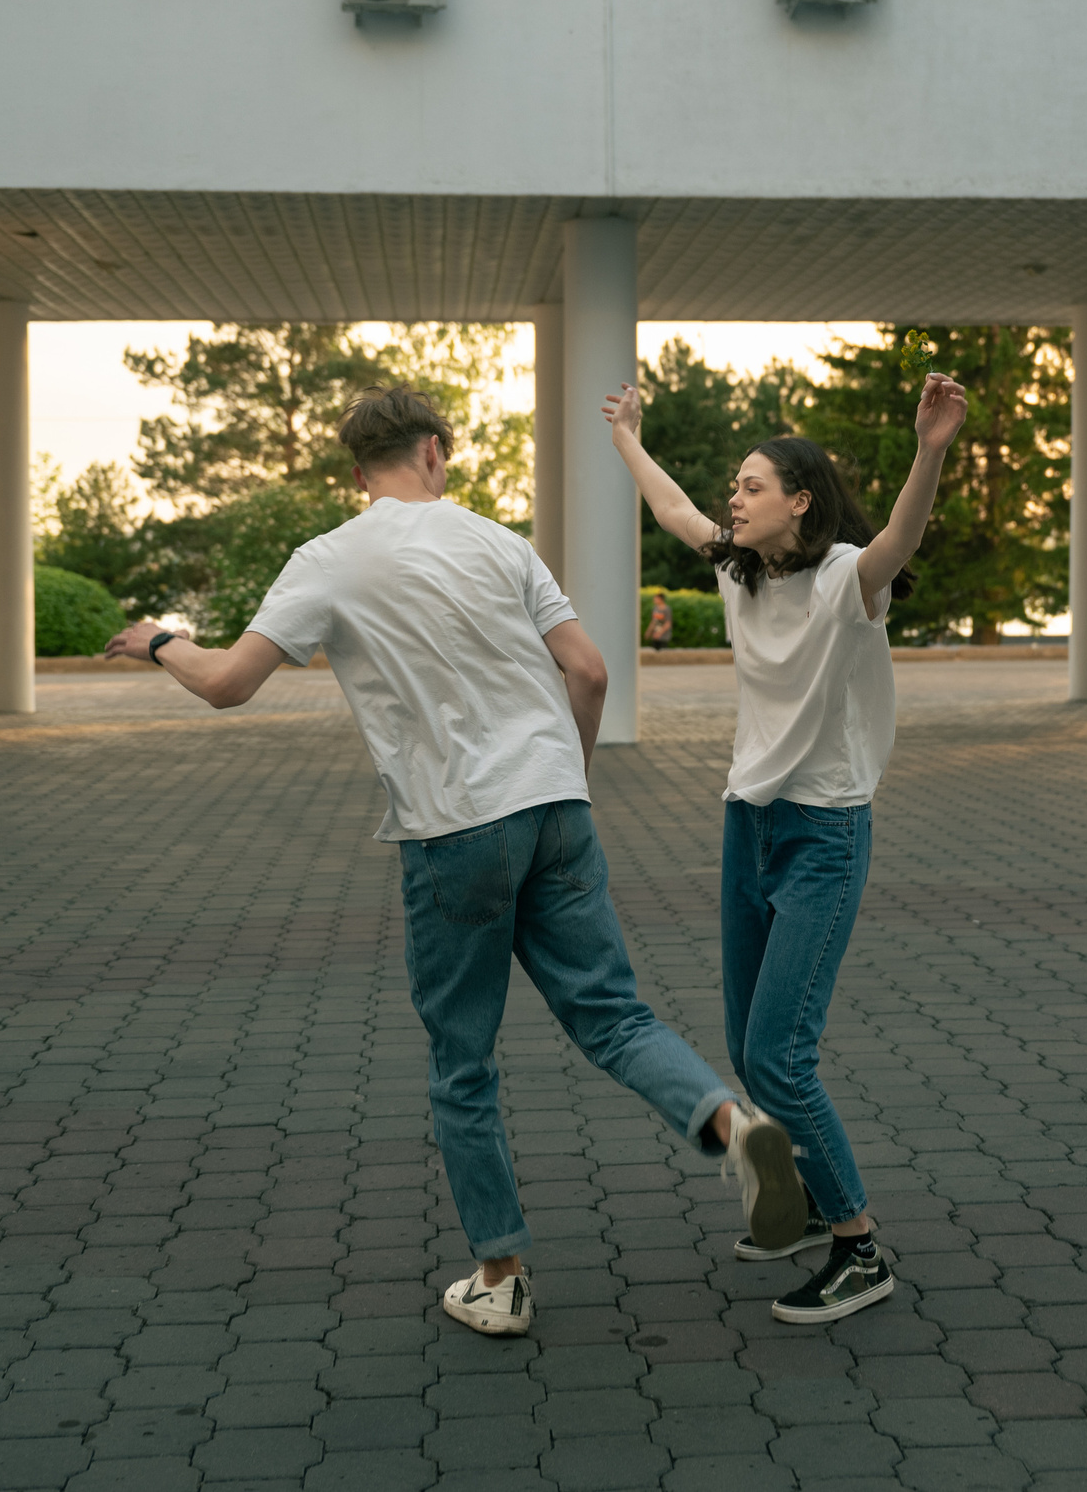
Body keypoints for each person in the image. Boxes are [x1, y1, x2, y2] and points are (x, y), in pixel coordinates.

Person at [104, 387, 807, 1339]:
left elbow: (228, 684)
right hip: (555, 804)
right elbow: (589, 670)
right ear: (437, 453)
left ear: (359, 474)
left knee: (463, 1062)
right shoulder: (500, 542)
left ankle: (502, 1274)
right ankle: (733, 1124)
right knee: (614, 1015)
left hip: (452, 830)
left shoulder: (328, 559)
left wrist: (159, 642)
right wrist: (565, 776)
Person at [602, 371, 968, 1325]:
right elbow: (676, 507)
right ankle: (802, 1205)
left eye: (753, 484)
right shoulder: (738, 569)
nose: (735, 495)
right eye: (736, 484)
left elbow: (901, 539)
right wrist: (629, 440)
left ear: (799, 501)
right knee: (747, 1040)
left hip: (824, 832)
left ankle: (859, 1245)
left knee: (779, 1053)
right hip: (748, 823)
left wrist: (929, 448)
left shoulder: (846, 578)